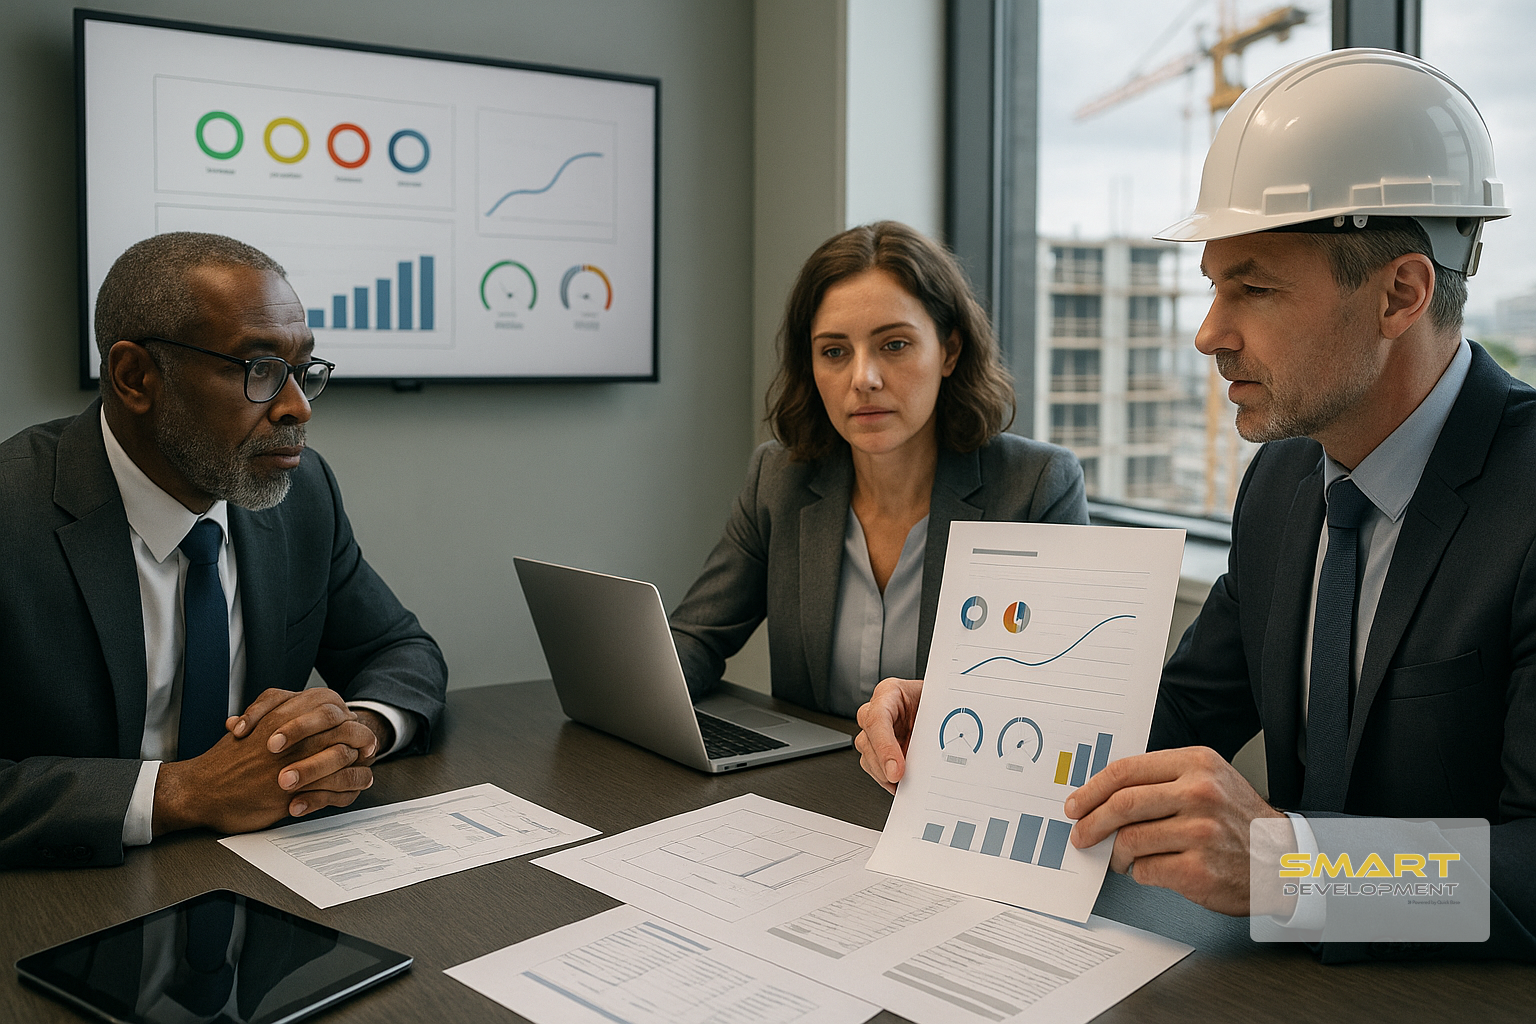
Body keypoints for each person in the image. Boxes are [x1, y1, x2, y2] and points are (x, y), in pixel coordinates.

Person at [854, 50, 1536, 960]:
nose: (1210, 334)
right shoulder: (1286, 484)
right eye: (1214, 286)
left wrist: (1294, 869)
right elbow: (1172, 718)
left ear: (1400, 293)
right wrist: (969, 728)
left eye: (1252, 287)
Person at [0, 232, 447, 869]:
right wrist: (183, 793)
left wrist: (351, 735)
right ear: (135, 378)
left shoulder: (301, 491)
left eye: (302, 371)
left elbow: (399, 650)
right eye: (259, 370)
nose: (297, 408)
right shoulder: (13, 512)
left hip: (263, 875)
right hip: (74, 894)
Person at [670, 221, 1086, 717]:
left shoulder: (1036, 487)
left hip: (952, 787)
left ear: (949, 351)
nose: (863, 378)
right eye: (834, 352)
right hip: (808, 786)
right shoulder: (778, 479)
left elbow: (1061, 692)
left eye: (894, 345)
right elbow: (694, 639)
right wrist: (636, 692)